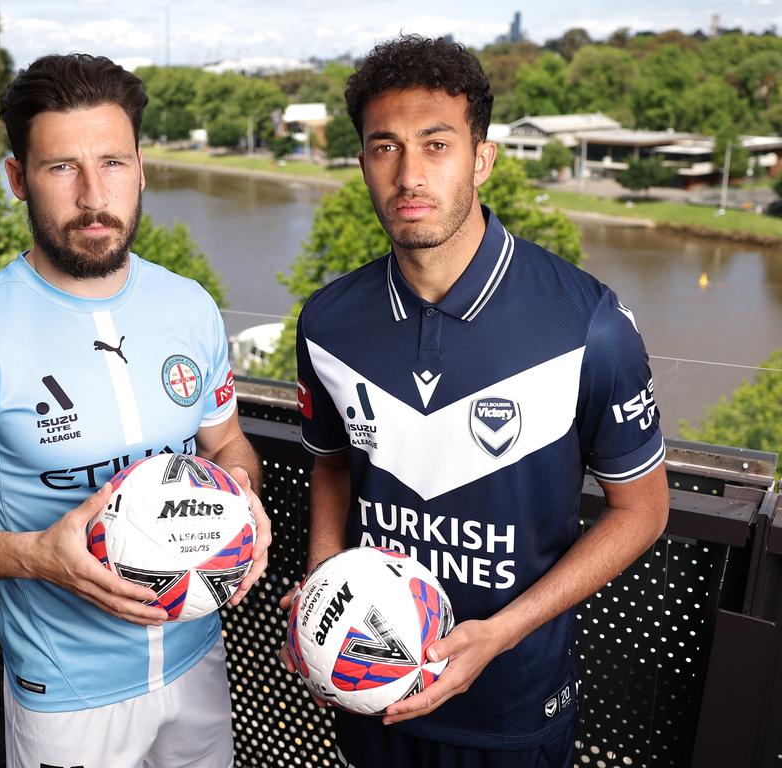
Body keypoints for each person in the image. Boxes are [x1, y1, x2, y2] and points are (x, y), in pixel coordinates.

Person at [284, 35, 668, 767]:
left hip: (512, 703)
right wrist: (321, 585)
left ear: (481, 158)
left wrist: (501, 631)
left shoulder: (589, 323)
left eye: (436, 144)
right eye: (384, 147)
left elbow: (643, 511)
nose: (408, 175)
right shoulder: (328, 322)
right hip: (371, 691)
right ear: (362, 161)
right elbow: (331, 465)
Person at [0, 53, 271, 768]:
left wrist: (244, 504)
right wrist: (35, 557)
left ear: (143, 168)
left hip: (198, 661)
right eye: (62, 168)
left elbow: (228, 445)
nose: (95, 195)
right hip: (67, 694)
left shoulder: (190, 306)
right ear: (16, 179)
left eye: (114, 162)